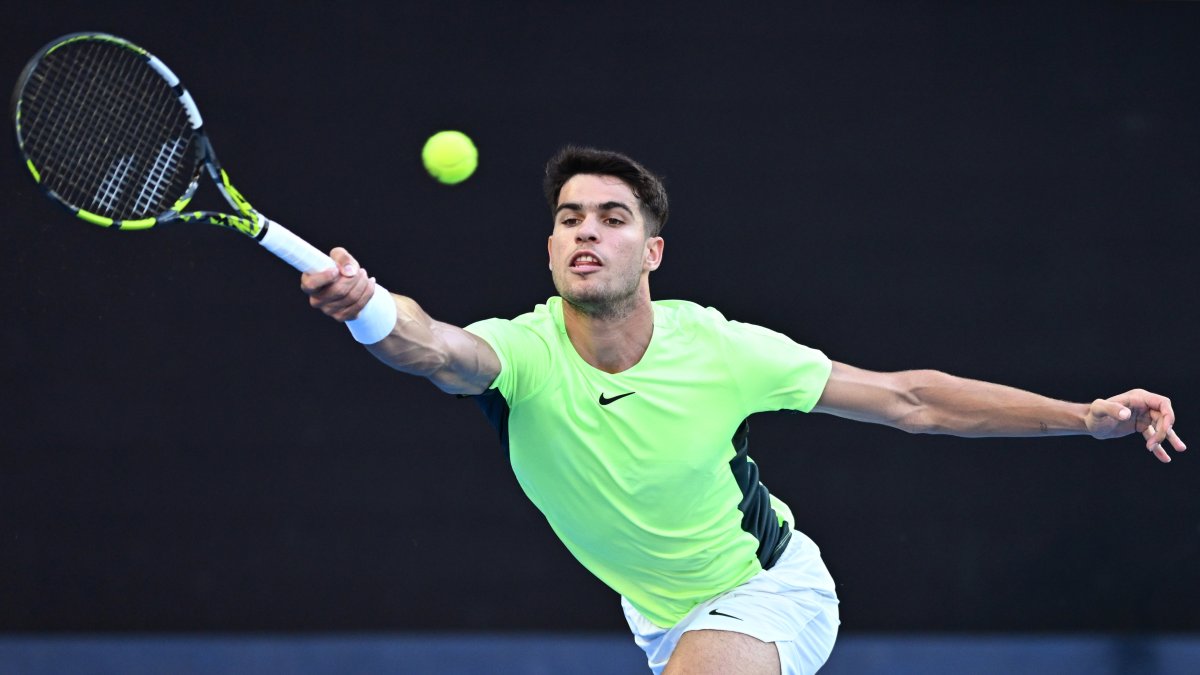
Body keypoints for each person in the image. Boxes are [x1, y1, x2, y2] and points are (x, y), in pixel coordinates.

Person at [300, 146, 1184, 675]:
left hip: (766, 589)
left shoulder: (721, 348)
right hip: (655, 613)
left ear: (650, 251)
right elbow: (433, 347)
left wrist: (1082, 414)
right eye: (570, 217)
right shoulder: (521, 354)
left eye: (611, 217)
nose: (586, 232)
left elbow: (910, 399)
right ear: (549, 245)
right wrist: (368, 306)